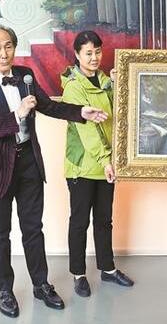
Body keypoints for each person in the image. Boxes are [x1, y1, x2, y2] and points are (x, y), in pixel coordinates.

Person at [0, 25, 109, 318]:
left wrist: (80, 112)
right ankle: (5, 290)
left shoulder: (25, 75)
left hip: (28, 162)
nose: (4, 53)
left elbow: (48, 106)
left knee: (33, 228)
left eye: (8, 46)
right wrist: (17, 114)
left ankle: (41, 285)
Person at [61, 30, 134, 298]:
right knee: (80, 221)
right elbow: (87, 131)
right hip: (84, 166)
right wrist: (105, 160)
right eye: (88, 53)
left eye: (98, 52)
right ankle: (78, 274)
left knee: (104, 219)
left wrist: (117, 84)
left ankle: (107, 268)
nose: (94, 57)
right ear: (77, 55)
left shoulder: (105, 80)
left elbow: (118, 116)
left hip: (107, 164)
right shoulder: (73, 86)